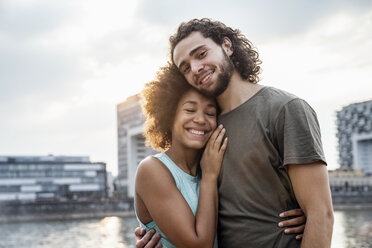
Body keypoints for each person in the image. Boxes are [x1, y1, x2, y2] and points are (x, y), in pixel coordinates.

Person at [137, 18, 334, 248]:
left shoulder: (285, 109)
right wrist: (155, 232)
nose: (196, 68)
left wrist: (310, 218)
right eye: (186, 68)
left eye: (201, 54)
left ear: (227, 46)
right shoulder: (203, 131)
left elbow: (321, 215)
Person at [135, 64, 227, 247]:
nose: (200, 120)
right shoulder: (152, 169)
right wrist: (209, 176)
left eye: (210, 113)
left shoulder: (214, 164)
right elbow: (199, 245)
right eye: (190, 110)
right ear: (169, 115)